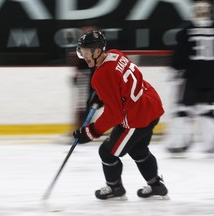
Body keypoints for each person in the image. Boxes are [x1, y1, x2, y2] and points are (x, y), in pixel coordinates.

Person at [72, 30, 168, 200]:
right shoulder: (115, 54)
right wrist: (102, 95)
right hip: (151, 106)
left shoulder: (100, 76)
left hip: (136, 118)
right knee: (138, 149)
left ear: (98, 51)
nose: (84, 56)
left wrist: (91, 131)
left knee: (107, 152)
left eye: (87, 52)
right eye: (83, 52)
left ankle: (114, 188)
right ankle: (156, 185)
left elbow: (115, 114)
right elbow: (119, 83)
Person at [165, 0, 214, 154]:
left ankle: (180, 142)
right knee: (208, 110)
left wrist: (174, 70)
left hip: (191, 77)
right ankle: (210, 143)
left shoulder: (187, 29)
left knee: (182, 110)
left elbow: (180, 53)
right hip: (211, 77)